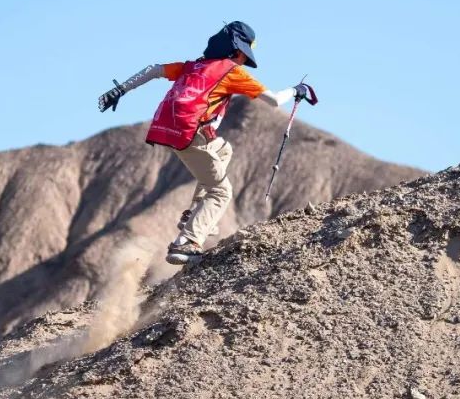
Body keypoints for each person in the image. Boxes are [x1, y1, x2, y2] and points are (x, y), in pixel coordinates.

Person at [97, 21, 312, 265]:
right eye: (244, 55)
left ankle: (194, 213)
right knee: (221, 191)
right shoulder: (232, 72)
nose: (244, 61)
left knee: (224, 149)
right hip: (192, 134)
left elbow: (154, 69)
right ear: (237, 50)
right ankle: (186, 242)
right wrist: (296, 90)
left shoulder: (193, 66)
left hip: (167, 129)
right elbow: (274, 101)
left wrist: (121, 89)